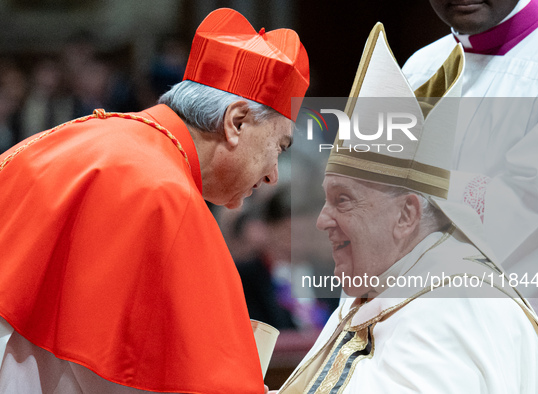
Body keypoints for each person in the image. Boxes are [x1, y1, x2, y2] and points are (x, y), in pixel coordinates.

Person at [0, 8, 309, 394]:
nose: (272, 175)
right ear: (237, 122)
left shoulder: (75, 137)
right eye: (278, 147)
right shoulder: (167, 196)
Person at [275, 22, 538, 393]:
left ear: (407, 214)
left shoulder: (452, 306)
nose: (321, 221)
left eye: (343, 201)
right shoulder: (385, 283)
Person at [402, 0, 538, 323]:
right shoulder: (420, 68)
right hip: (419, 311)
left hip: (519, 321)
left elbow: (526, 203)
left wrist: (401, 195)